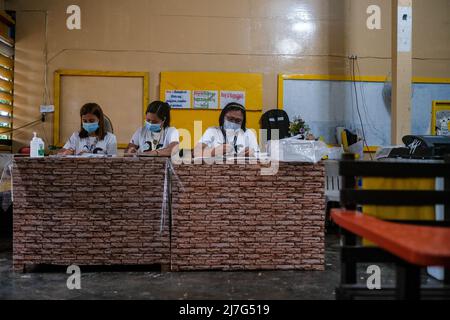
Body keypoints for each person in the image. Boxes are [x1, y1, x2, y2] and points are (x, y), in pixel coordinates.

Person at [194, 102, 259, 157]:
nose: (233, 122)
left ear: (243, 122)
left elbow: (259, 155)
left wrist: (252, 153)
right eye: (230, 119)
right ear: (222, 117)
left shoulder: (248, 133)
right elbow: (196, 152)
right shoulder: (212, 131)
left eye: (238, 120)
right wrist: (213, 152)